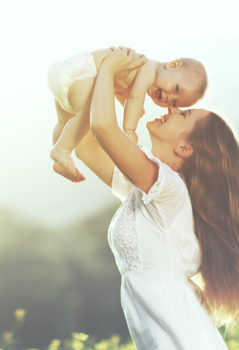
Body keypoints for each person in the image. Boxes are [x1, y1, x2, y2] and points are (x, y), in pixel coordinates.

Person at [74, 47, 238, 349]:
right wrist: (70, 84)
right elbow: (85, 146)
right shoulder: (153, 188)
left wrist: (109, 69)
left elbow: (102, 127)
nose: (172, 109)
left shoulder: (167, 188)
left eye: (183, 112)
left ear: (184, 148)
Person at [47, 47, 207, 183]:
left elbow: (120, 89)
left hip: (67, 73)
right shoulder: (148, 69)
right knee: (89, 113)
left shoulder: (137, 67)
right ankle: (62, 151)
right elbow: (134, 98)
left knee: (64, 120)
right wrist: (130, 130)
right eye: (176, 89)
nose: (169, 97)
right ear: (173, 65)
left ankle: (58, 152)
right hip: (81, 72)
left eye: (174, 103)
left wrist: (130, 107)